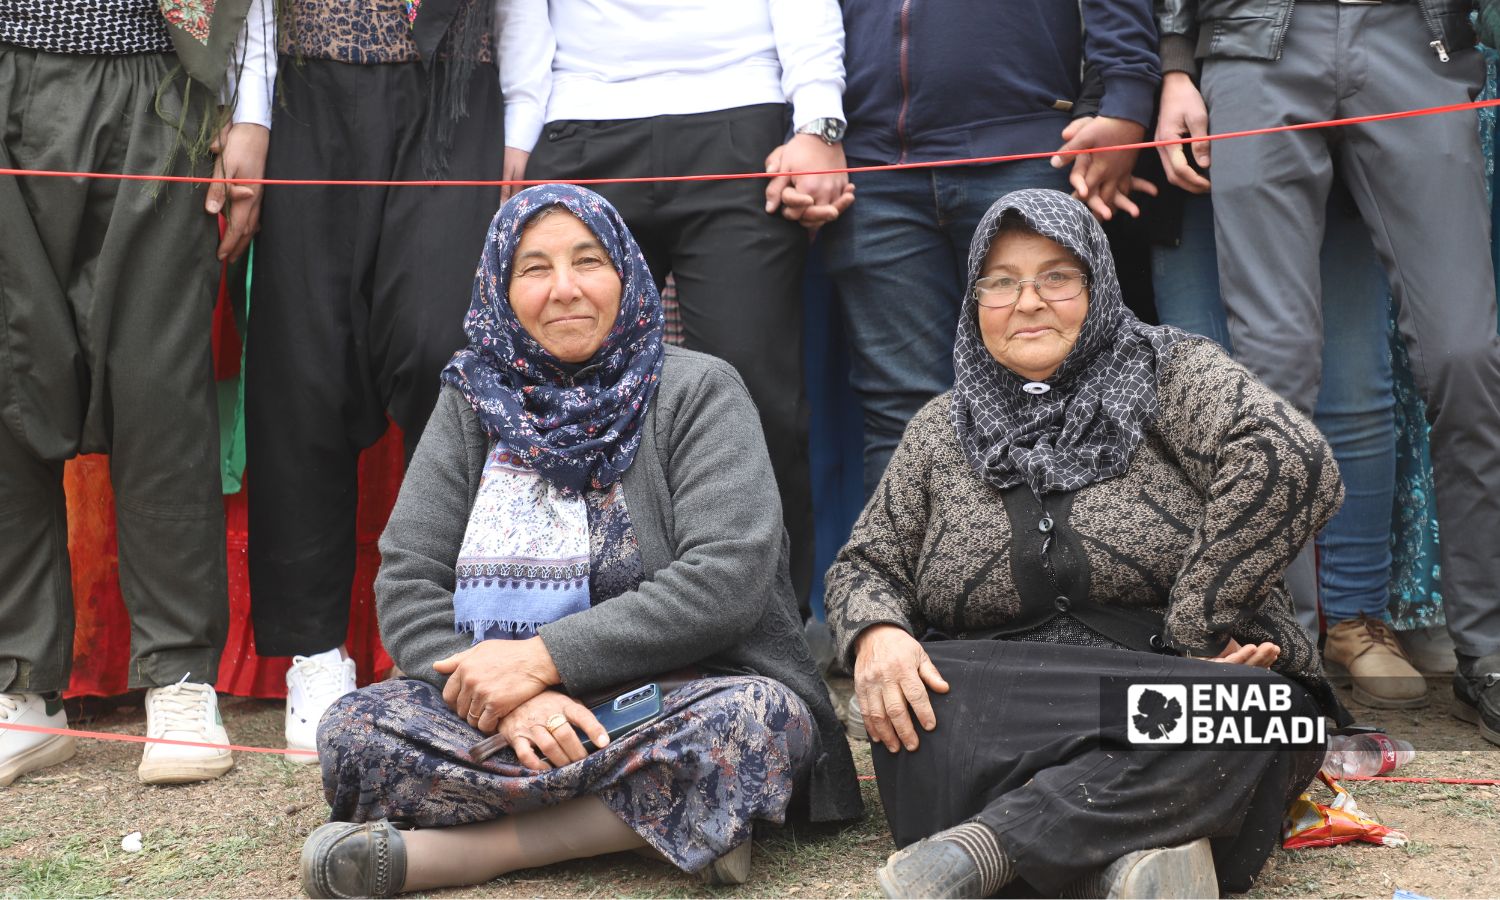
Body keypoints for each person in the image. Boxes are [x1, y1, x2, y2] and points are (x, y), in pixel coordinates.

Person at [299, 185, 862, 898]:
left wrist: (540, 660)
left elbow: (726, 578)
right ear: (500, 291)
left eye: (587, 261)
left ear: (626, 274)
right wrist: (509, 700)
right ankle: (676, 821)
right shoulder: (471, 404)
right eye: (534, 269)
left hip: (668, 699)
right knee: (353, 727)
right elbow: (409, 578)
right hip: (506, 713)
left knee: (756, 722)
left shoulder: (698, 390)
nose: (564, 289)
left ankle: (469, 853)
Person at [825, 189, 1346, 897]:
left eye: (1057, 276)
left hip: (1167, 688)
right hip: (1001, 704)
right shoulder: (940, 430)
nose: (1028, 301)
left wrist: (1196, 634)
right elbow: (866, 563)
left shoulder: (1172, 375)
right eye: (1001, 282)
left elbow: (1292, 460)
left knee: (1258, 711)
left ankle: (986, 851)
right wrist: (878, 633)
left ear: (1098, 284)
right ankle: (1136, 858)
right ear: (975, 300)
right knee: (932, 706)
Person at [1155, 0, 1500, 745]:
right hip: (1255, 42)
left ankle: (1490, 652)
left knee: (1465, 355)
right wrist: (1176, 63)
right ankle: (1287, 663)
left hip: (1417, 37)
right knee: (1274, 372)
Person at [499, 0, 852, 612]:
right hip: (580, 119)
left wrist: (818, 120)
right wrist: (521, 128)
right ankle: (565, 618)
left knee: (756, 388)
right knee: (566, 385)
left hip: (741, 112)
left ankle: (771, 626)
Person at [0, 0, 274, 786]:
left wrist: (249, 113)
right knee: (9, 375)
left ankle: (180, 679)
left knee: (161, 384)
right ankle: (20, 689)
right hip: (7, 65)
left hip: (157, 84)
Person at [246, 0, 517, 758]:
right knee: (305, 363)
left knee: (445, 350)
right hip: (311, 93)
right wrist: (250, 115)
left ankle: (449, 640)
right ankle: (315, 654)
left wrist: (524, 125)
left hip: (460, 97)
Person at [821, 0, 1160, 498]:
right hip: (874, 171)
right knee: (903, 413)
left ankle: (1066, 573)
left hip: (1026, 149)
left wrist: (1127, 100)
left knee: (1058, 386)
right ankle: (906, 575)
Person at [1149, 174, 1430, 709]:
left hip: (1323, 162)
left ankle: (1355, 619)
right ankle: (1256, 631)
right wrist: (1157, 88)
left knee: (1353, 393)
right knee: (1201, 413)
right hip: (1186, 166)